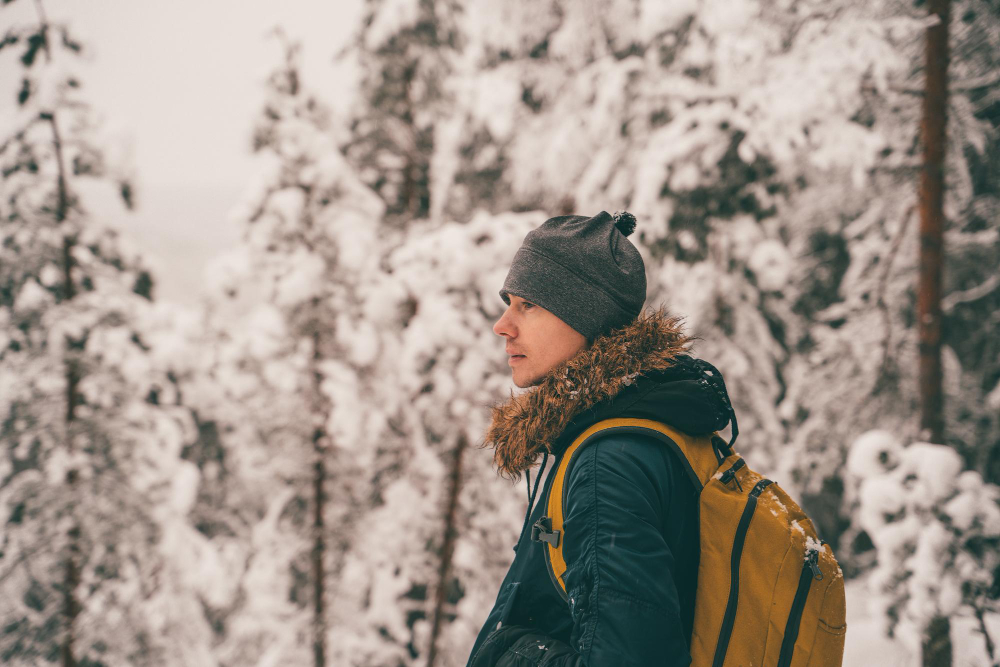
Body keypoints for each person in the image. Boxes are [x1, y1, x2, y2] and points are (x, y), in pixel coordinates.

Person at [466, 211, 738, 667]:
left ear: (585, 315)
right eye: (508, 302)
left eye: (527, 304)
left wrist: (508, 654)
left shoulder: (609, 463)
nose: (502, 324)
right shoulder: (649, 425)